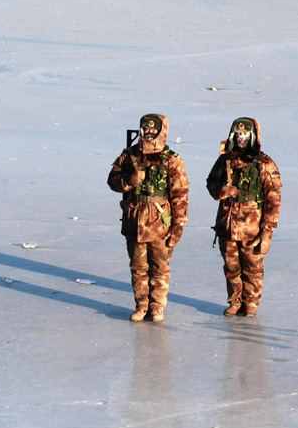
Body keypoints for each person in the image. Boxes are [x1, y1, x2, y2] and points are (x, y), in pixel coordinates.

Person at [108, 114, 190, 322]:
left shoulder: (171, 159)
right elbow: (112, 181)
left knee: (160, 268)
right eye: (145, 129)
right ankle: (141, 306)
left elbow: (180, 194)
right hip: (134, 222)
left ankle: (156, 308)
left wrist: (179, 224)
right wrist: (129, 180)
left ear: (161, 132)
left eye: (153, 130)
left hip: (160, 223)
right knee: (138, 268)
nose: (148, 133)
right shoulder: (129, 155)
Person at [206, 117, 282, 317]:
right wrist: (221, 190)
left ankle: (251, 303)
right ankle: (235, 301)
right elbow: (211, 183)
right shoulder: (225, 160)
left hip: (252, 226)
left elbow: (273, 199)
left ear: (252, 136)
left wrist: (267, 231)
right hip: (227, 224)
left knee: (252, 267)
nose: (241, 138)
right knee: (231, 267)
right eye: (238, 134)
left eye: (245, 134)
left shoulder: (264, 163)